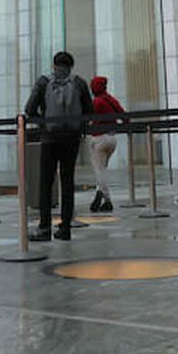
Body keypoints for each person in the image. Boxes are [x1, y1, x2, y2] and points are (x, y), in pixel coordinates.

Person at [24, 51, 93, 241]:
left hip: (49, 139)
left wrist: (43, 124)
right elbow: (89, 111)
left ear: (54, 64)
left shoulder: (43, 81)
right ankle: (65, 228)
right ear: (71, 65)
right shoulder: (79, 82)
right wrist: (78, 127)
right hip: (71, 139)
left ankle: (44, 228)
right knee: (67, 181)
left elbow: (29, 109)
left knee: (46, 183)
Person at [87, 76, 125, 212]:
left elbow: (88, 119)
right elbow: (123, 115)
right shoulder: (111, 99)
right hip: (112, 139)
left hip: (99, 139)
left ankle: (107, 200)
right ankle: (99, 193)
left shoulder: (96, 102)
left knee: (99, 171)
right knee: (102, 170)